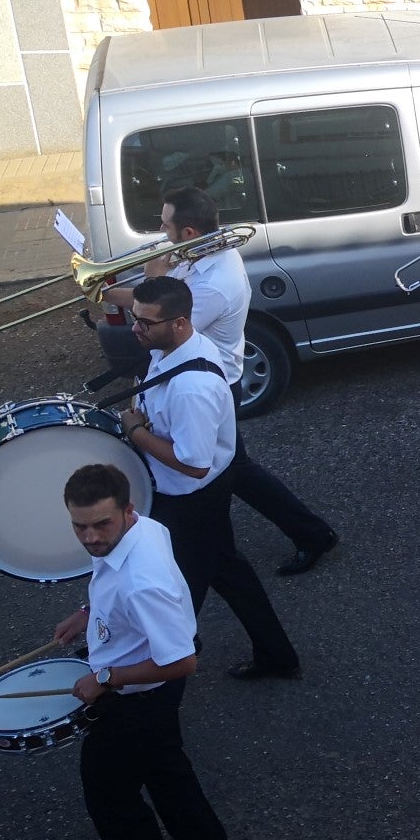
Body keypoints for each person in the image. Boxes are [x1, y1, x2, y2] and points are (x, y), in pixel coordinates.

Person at [98, 186, 340, 577]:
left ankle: (304, 536)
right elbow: (157, 301)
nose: (160, 232)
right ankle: (298, 535)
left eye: (165, 225)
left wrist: (144, 280)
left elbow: (160, 319)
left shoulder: (214, 285)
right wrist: (105, 289)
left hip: (210, 384)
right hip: (191, 376)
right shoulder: (201, 253)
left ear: (189, 232)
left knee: (224, 471)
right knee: (235, 471)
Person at [53, 463, 233, 840]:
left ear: (126, 511)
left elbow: (182, 662)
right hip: (144, 690)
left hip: (138, 696)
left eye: (100, 525)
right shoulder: (143, 527)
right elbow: (112, 576)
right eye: (79, 525)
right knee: (166, 769)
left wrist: (105, 678)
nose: (90, 538)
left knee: (110, 799)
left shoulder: (143, 583)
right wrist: (89, 610)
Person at [123, 276, 303, 680]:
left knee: (179, 576)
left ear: (180, 323)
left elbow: (194, 464)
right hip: (187, 494)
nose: (136, 328)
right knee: (225, 573)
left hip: (192, 497)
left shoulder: (191, 389)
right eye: (135, 319)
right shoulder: (170, 347)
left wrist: (136, 433)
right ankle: (274, 654)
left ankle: (166, 651)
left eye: (145, 323)